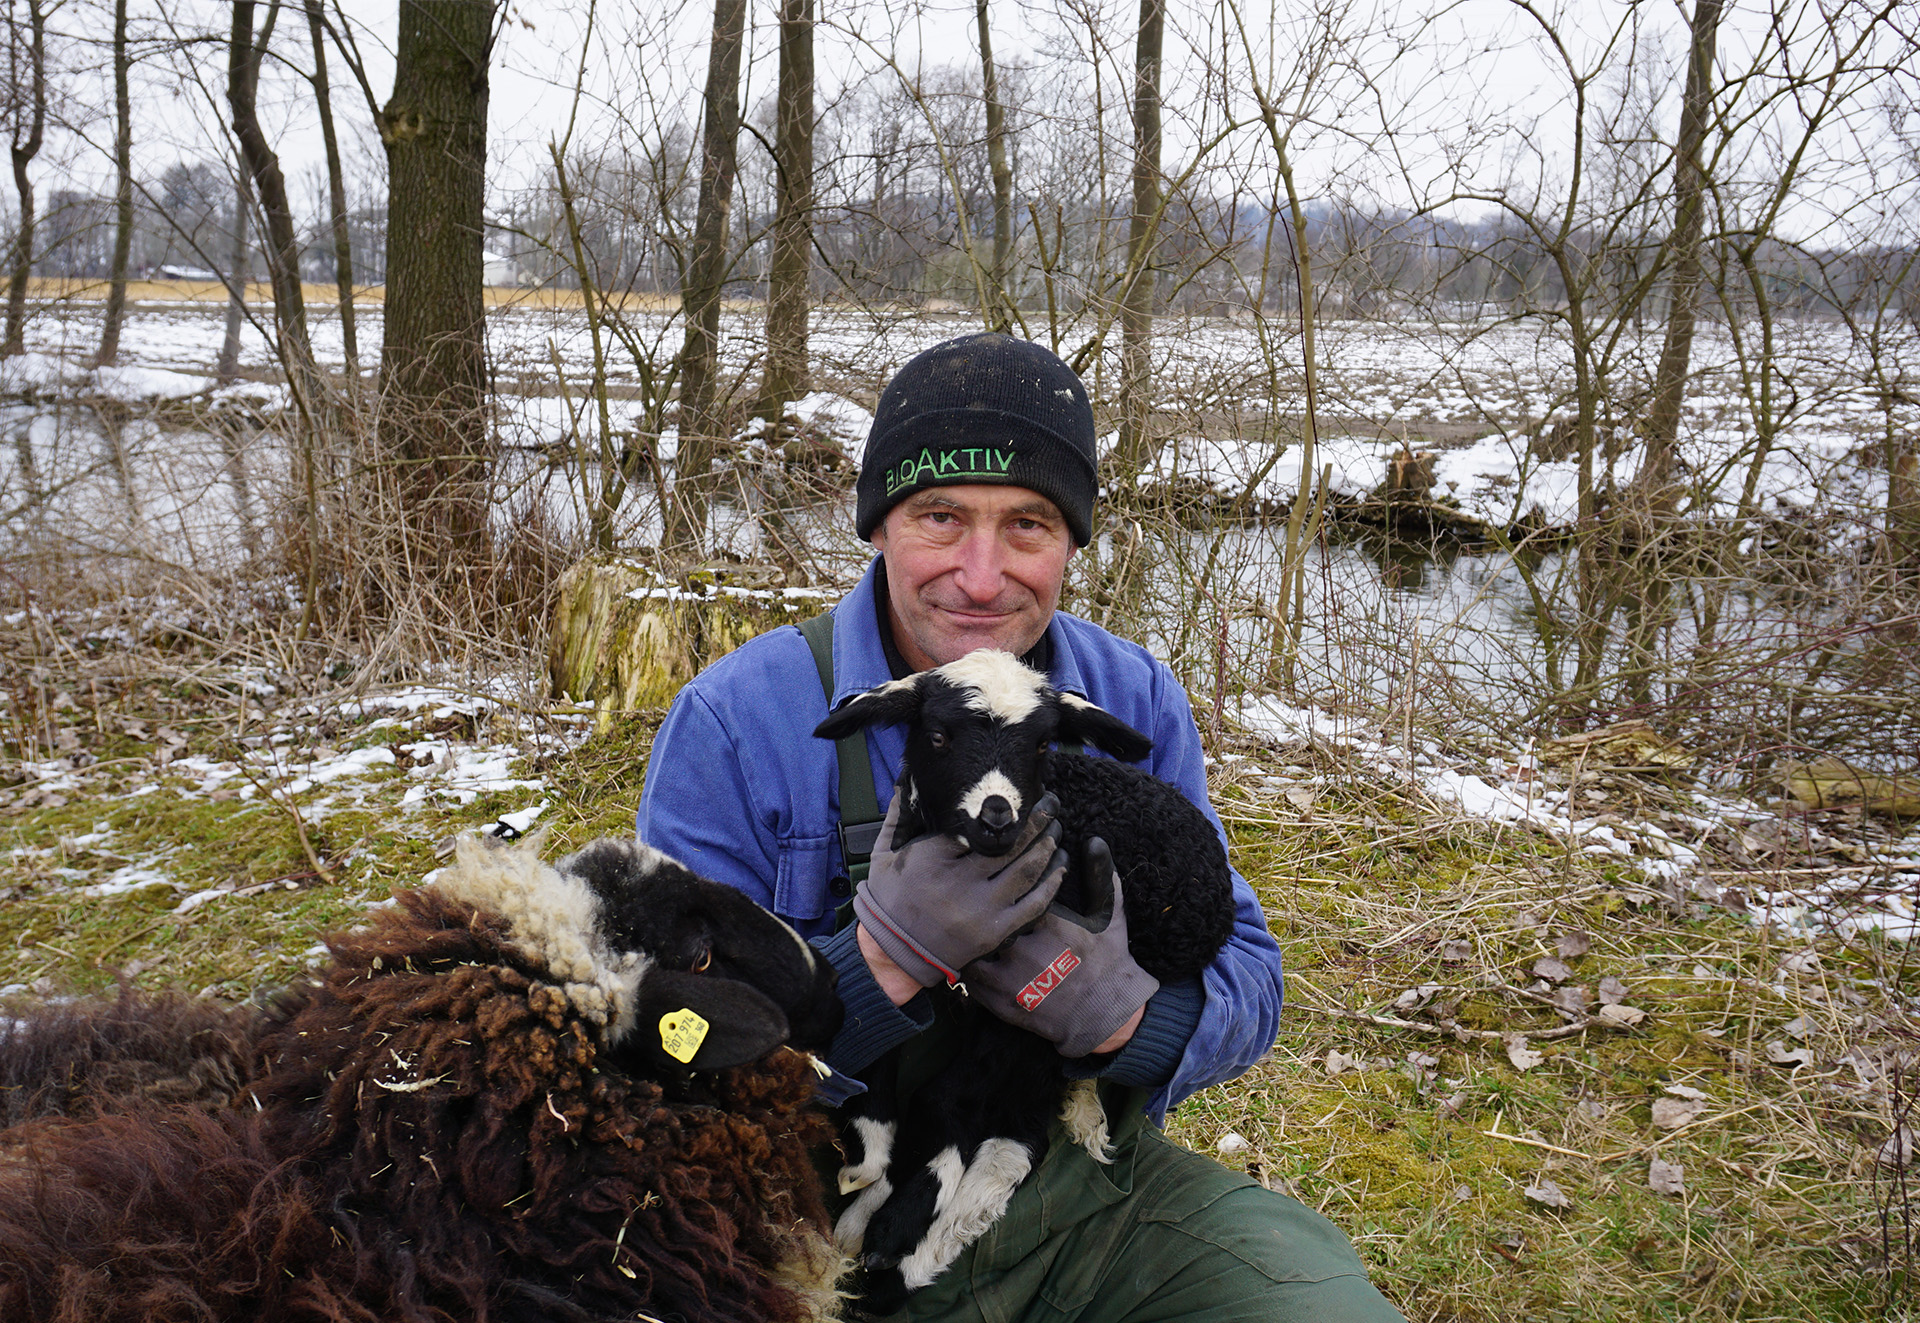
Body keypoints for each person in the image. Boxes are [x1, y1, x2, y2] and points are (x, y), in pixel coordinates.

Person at [639, 333, 1406, 1322]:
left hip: (1073, 1202)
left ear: (1075, 540)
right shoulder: (740, 724)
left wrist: (1128, 1017)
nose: (982, 576)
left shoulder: (1130, 699)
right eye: (941, 518)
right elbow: (665, 1050)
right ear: (877, 525)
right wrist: (876, 964)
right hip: (796, 1227)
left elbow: (1251, 982)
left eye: (1029, 526)